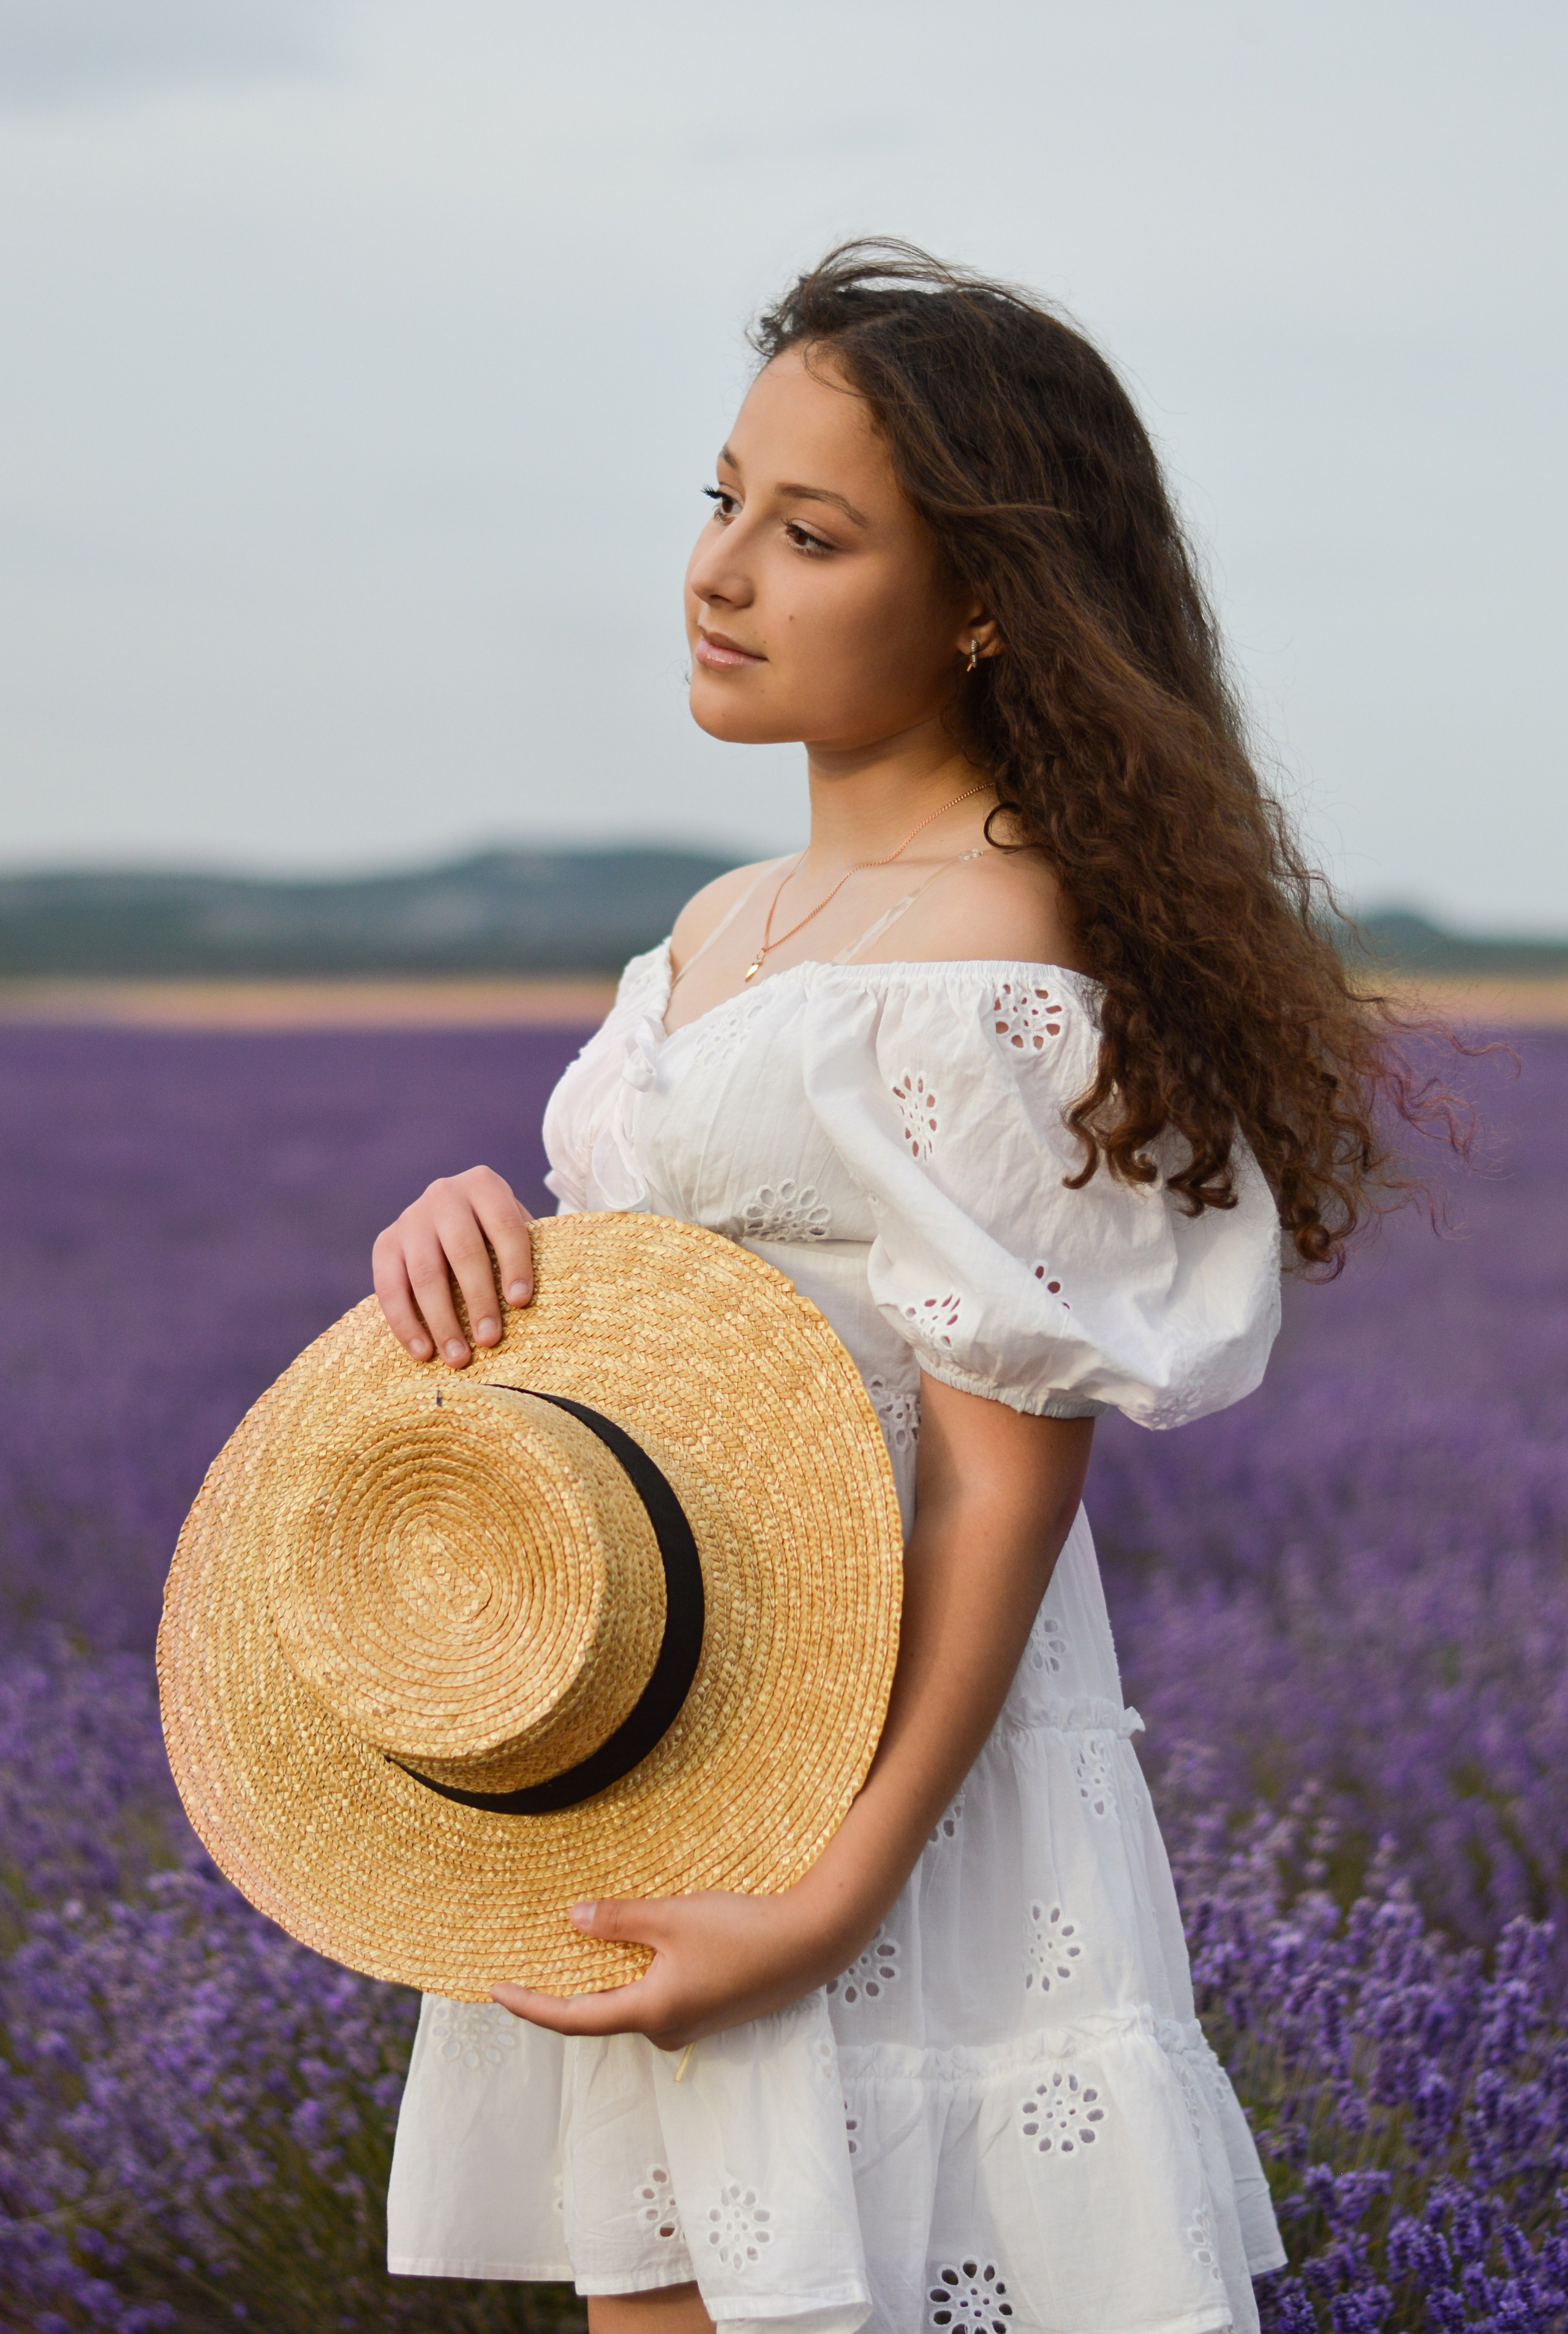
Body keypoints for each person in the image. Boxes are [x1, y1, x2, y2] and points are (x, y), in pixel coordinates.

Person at [372, 241, 1416, 2334]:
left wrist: (830, 1892)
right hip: (678, 1719)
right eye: (723, 498)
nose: (724, 568)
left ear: (982, 601)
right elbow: (666, 1337)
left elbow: (1000, 1480)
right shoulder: (719, 925)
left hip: (892, 1788)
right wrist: (471, 1234)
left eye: (813, 531)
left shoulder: (1005, 945)